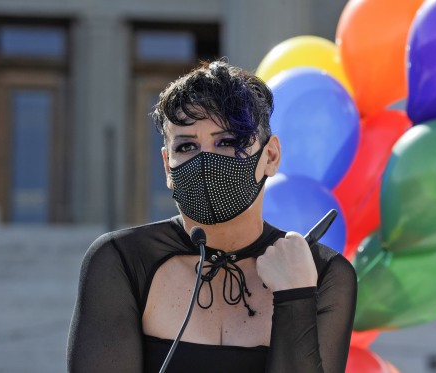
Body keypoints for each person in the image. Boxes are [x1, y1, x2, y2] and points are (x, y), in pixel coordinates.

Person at [67, 59, 357, 372]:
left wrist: (295, 295)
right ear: (168, 165)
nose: (205, 161)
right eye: (187, 146)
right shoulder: (123, 261)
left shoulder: (323, 273)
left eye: (228, 142)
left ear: (270, 156)